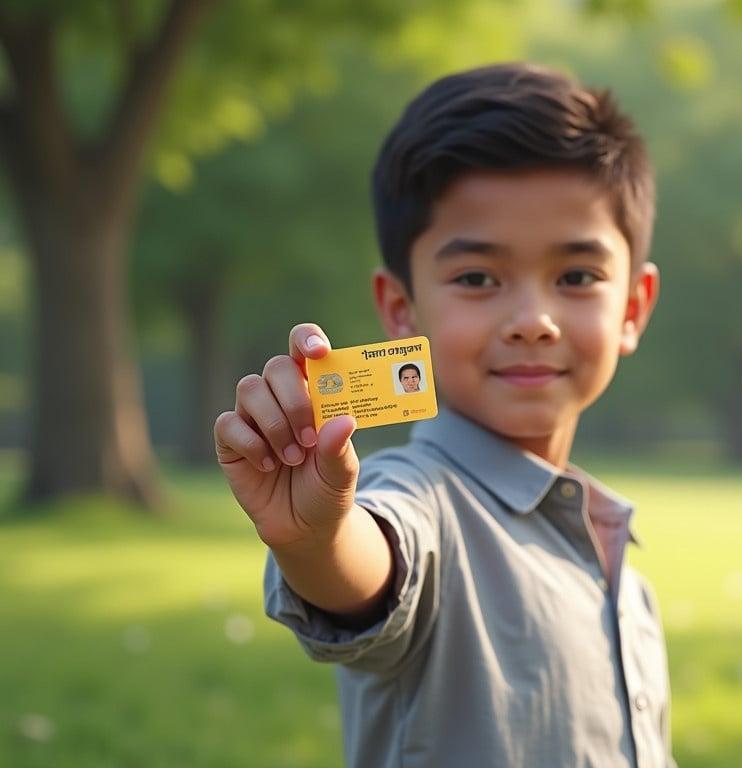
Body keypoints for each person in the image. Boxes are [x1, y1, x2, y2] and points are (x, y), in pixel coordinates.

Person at [214, 62, 673, 768]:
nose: (532, 321)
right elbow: (374, 564)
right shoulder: (421, 500)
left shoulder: (619, 567)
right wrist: (317, 537)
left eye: (576, 277)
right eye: (477, 278)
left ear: (633, 308)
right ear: (401, 309)